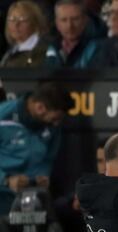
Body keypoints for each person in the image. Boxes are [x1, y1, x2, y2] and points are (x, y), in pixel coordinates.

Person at [0, 82, 71, 215]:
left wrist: (43, 175)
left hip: (34, 198)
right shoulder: (3, 116)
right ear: (40, 108)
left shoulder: (53, 127)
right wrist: (6, 180)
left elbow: (48, 158)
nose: (57, 123)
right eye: (55, 118)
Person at [44, 0, 104, 68]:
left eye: (75, 19)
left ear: (85, 20)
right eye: (64, 20)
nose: (69, 26)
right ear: (57, 23)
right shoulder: (46, 47)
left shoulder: (100, 48)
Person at [1, 0, 49, 68]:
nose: (16, 24)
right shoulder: (11, 51)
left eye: (22, 20)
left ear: (35, 22)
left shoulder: (43, 51)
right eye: (12, 19)